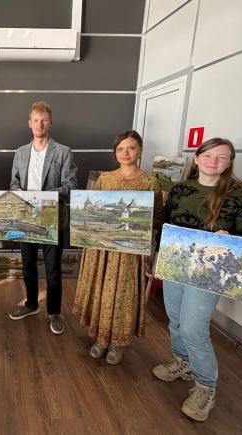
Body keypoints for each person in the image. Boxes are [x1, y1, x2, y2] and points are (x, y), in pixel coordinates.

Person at [152, 138, 242, 422]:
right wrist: (158, 257)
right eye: (209, 155)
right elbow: (165, 227)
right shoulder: (180, 189)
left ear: (230, 162)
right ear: (197, 158)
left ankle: (205, 386)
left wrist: (232, 238)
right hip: (176, 264)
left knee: (193, 328)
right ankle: (183, 362)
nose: (214, 161)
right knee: (175, 319)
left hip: (209, 272)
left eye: (222, 157)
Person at [72, 130, 164, 364]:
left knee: (122, 294)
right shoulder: (105, 179)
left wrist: (138, 226)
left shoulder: (150, 183)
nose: (125, 153)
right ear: (115, 152)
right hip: (100, 249)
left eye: (131, 147)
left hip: (129, 252)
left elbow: (156, 219)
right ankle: (101, 338)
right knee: (101, 289)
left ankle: (116, 342)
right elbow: (91, 210)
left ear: (140, 150)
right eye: (120, 148)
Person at [8, 101, 78, 334]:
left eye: (44, 120)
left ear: (51, 122)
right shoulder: (20, 152)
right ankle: (31, 304)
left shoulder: (63, 152)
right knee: (28, 265)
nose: (40, 124)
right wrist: (18, 191)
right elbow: (14, 182)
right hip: (25, 216)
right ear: (29, 123)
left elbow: (70, 185)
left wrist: (44, 196)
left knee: (53, 270)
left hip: (52, 217)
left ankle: (54, 312)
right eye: (36, 120)